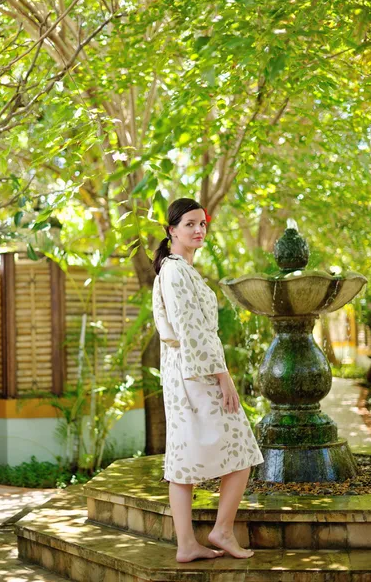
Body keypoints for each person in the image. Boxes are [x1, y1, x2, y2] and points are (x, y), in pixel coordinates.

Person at [152, 197, 264, 563]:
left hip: (185, 371)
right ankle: (220, 531)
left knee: (185, 458)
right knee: (242, 449)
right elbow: (192, 330)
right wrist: (224, 378)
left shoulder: (178, 269)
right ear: (172, 230)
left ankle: (189, 544)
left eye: (202, 223)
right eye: (190, 224)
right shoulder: (175, 271)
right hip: (196, 374)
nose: (199, 230)